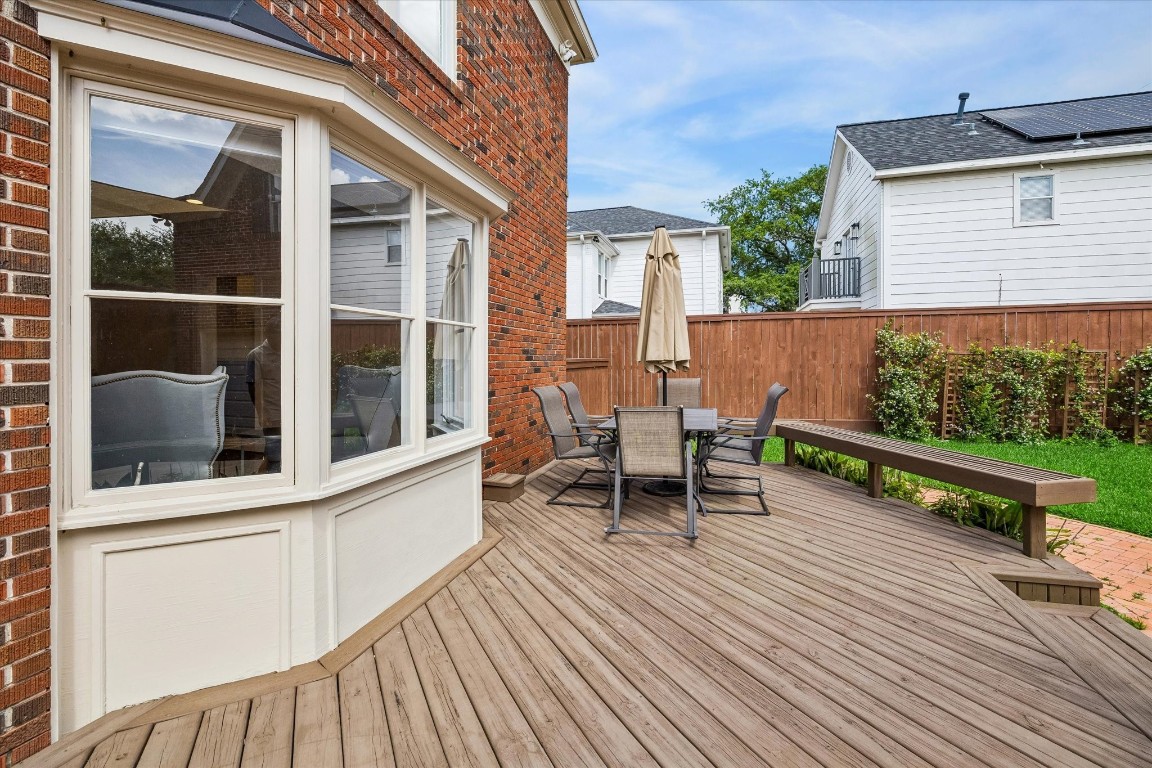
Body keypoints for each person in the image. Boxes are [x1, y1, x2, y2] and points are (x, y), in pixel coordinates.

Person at [247, 315, 282, 472]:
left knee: (293, 453)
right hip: (272, 416)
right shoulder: (255, 355)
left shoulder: (291, 351)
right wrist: (262, 414)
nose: (281, 337)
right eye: (277, 333)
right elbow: (254, 388)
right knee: (275, 456)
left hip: (294, 415)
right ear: (268, 334)